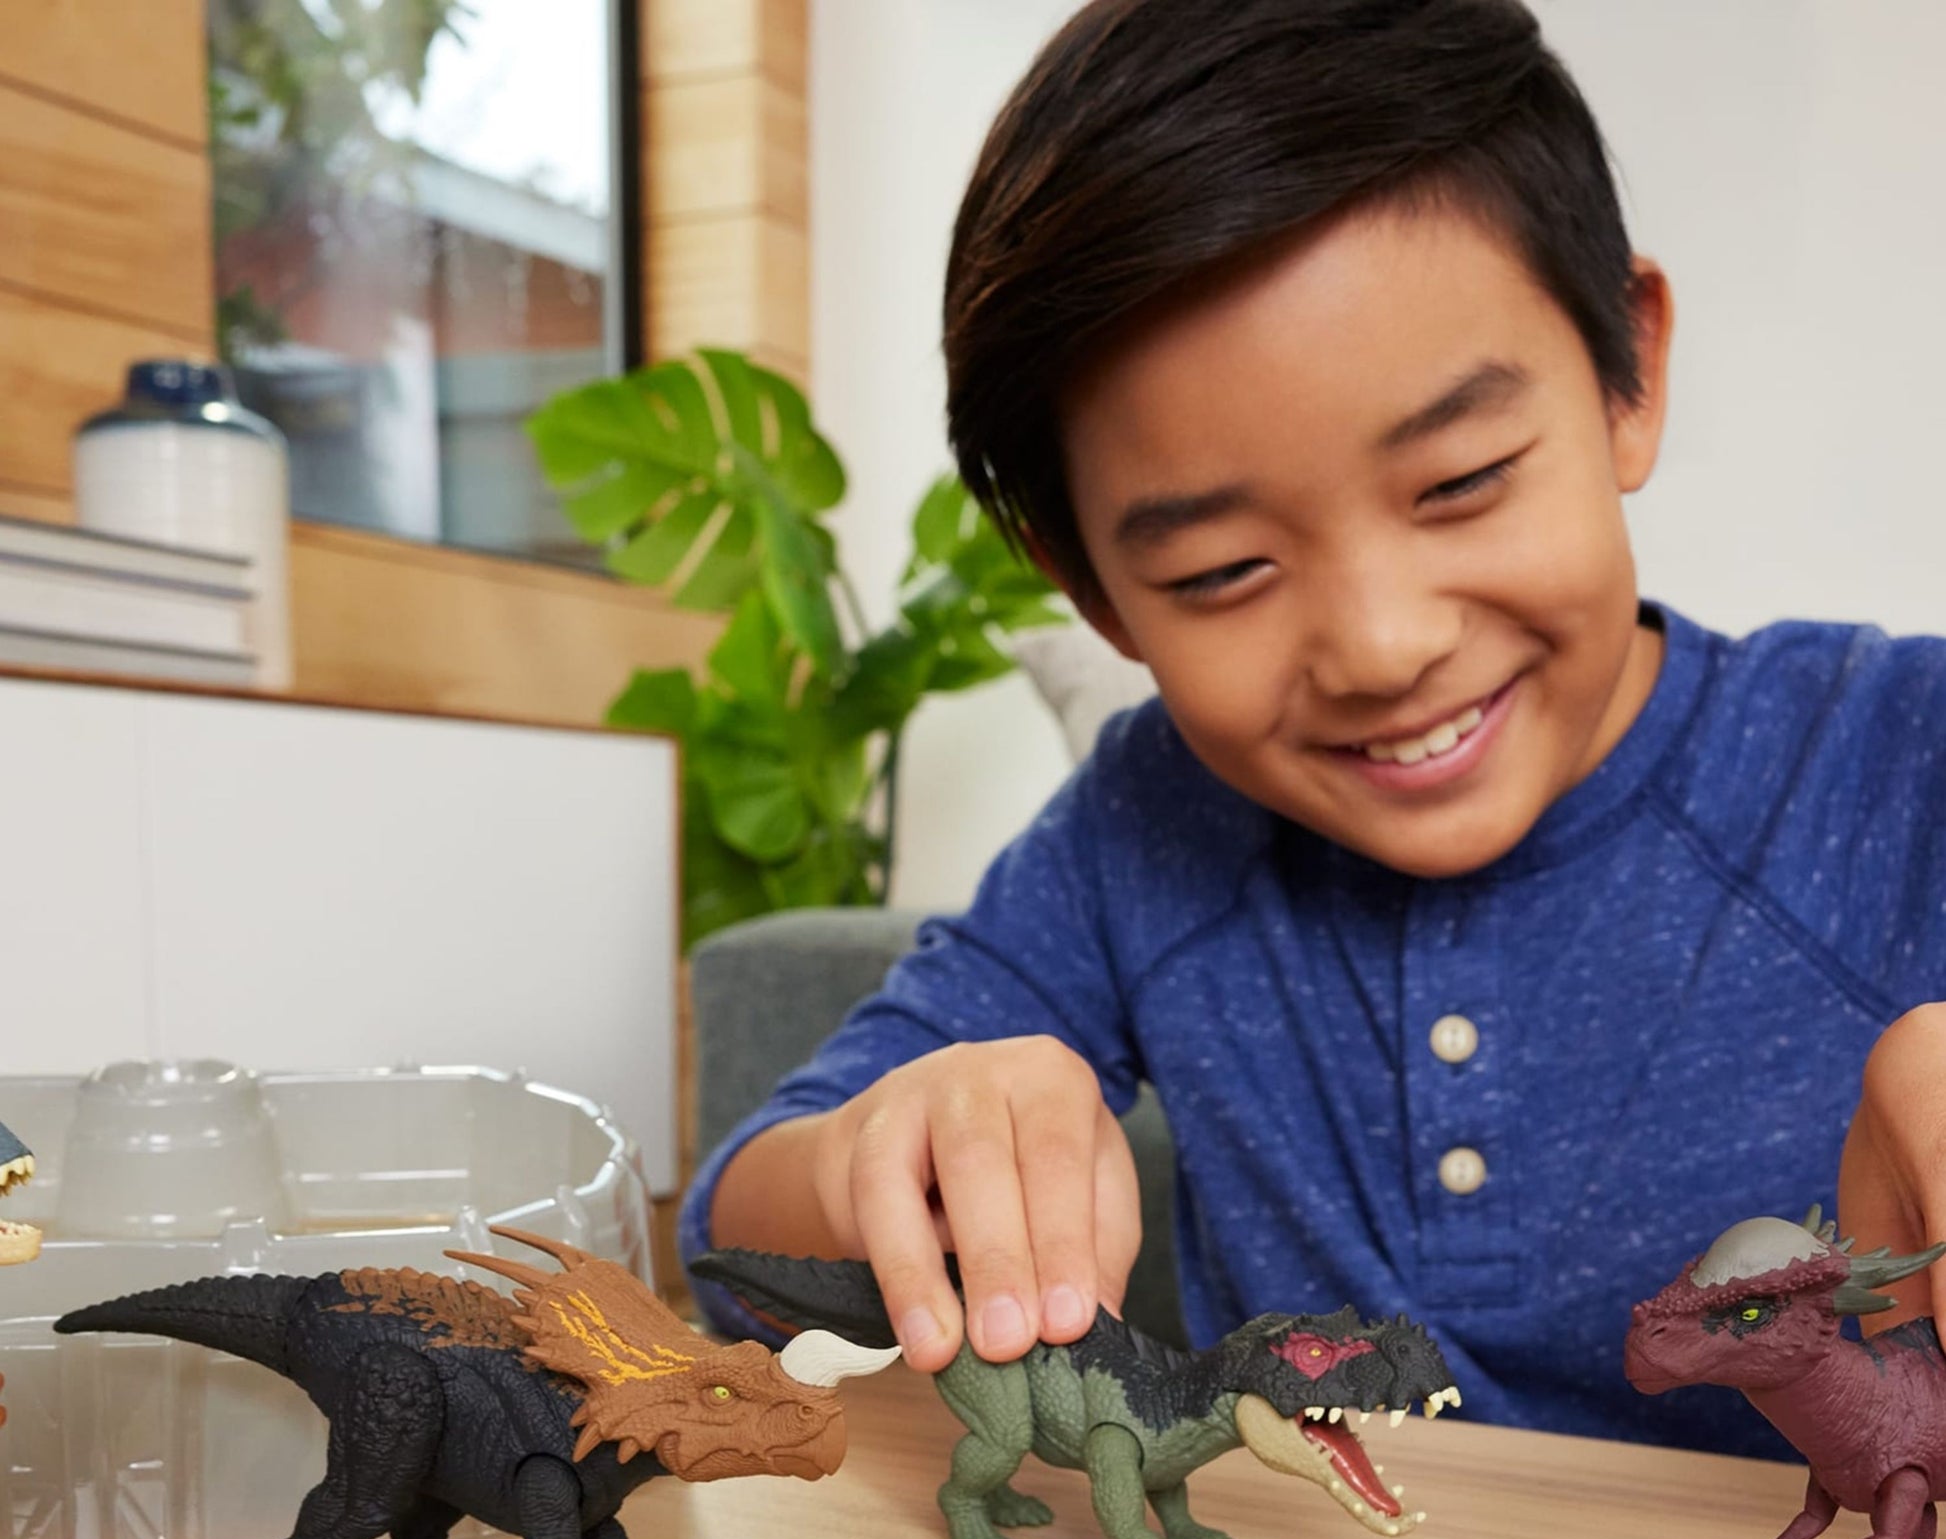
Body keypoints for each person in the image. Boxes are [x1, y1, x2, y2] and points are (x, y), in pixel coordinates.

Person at [681, 0, 1946, 1462]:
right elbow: (734, 1243)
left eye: (1460, 480)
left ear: (1629, 373)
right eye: (1223, 571)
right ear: (1091, 590)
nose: (1381, 645)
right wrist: (880, 1151)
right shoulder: (1144, 828)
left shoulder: (1892, 760)